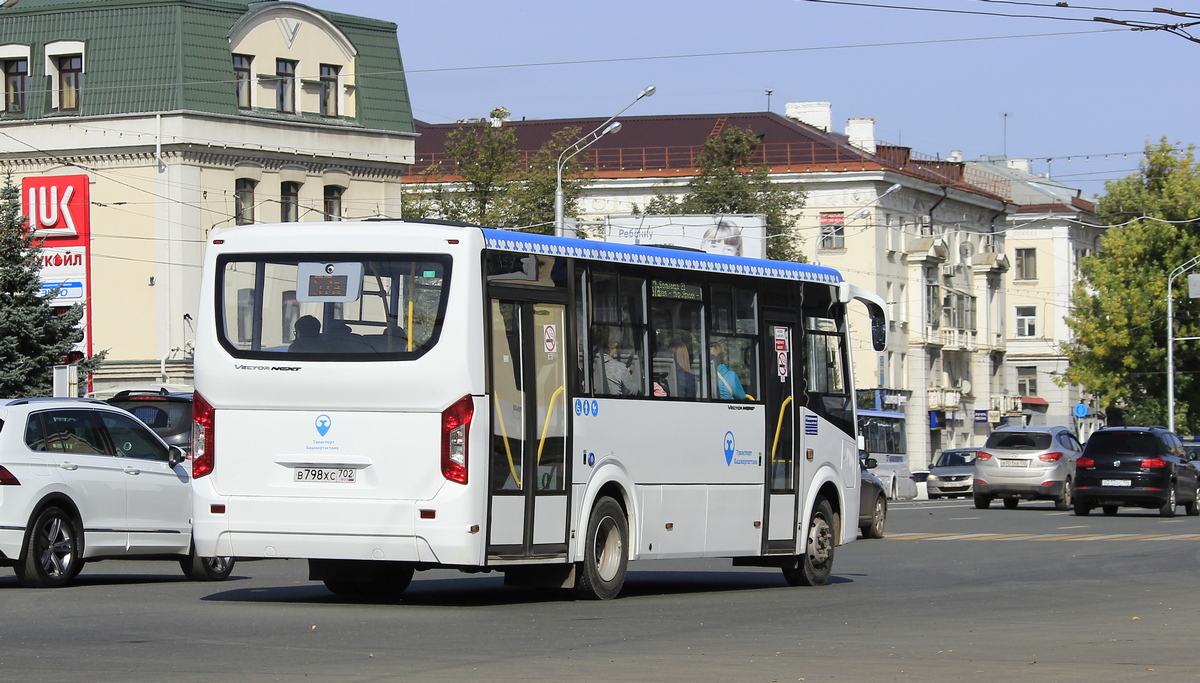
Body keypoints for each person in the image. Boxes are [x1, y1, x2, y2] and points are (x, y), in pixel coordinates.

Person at [595, 329, 638, 396]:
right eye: (615, 344)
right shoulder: (619, 368)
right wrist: (629, 375)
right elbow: (633, 391)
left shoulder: (590, 364)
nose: (616, 347)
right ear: (609, 347)